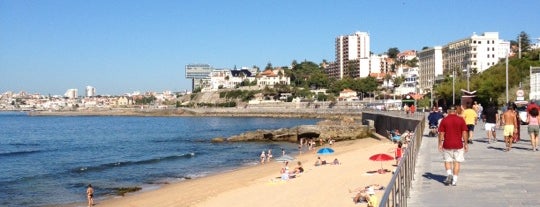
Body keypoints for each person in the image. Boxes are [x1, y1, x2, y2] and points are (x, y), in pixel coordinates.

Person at [438, 106, 468, 186]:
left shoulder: (444, 120)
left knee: (447, 161)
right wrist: (465, 143)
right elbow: (464, 132)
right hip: (458, 145)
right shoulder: (461, 120)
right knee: (457, 162)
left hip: (447, 144)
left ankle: (449, 174)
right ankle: (454, 180)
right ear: (456, 111)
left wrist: (440, 143)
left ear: (448, 111)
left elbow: (441, 133)